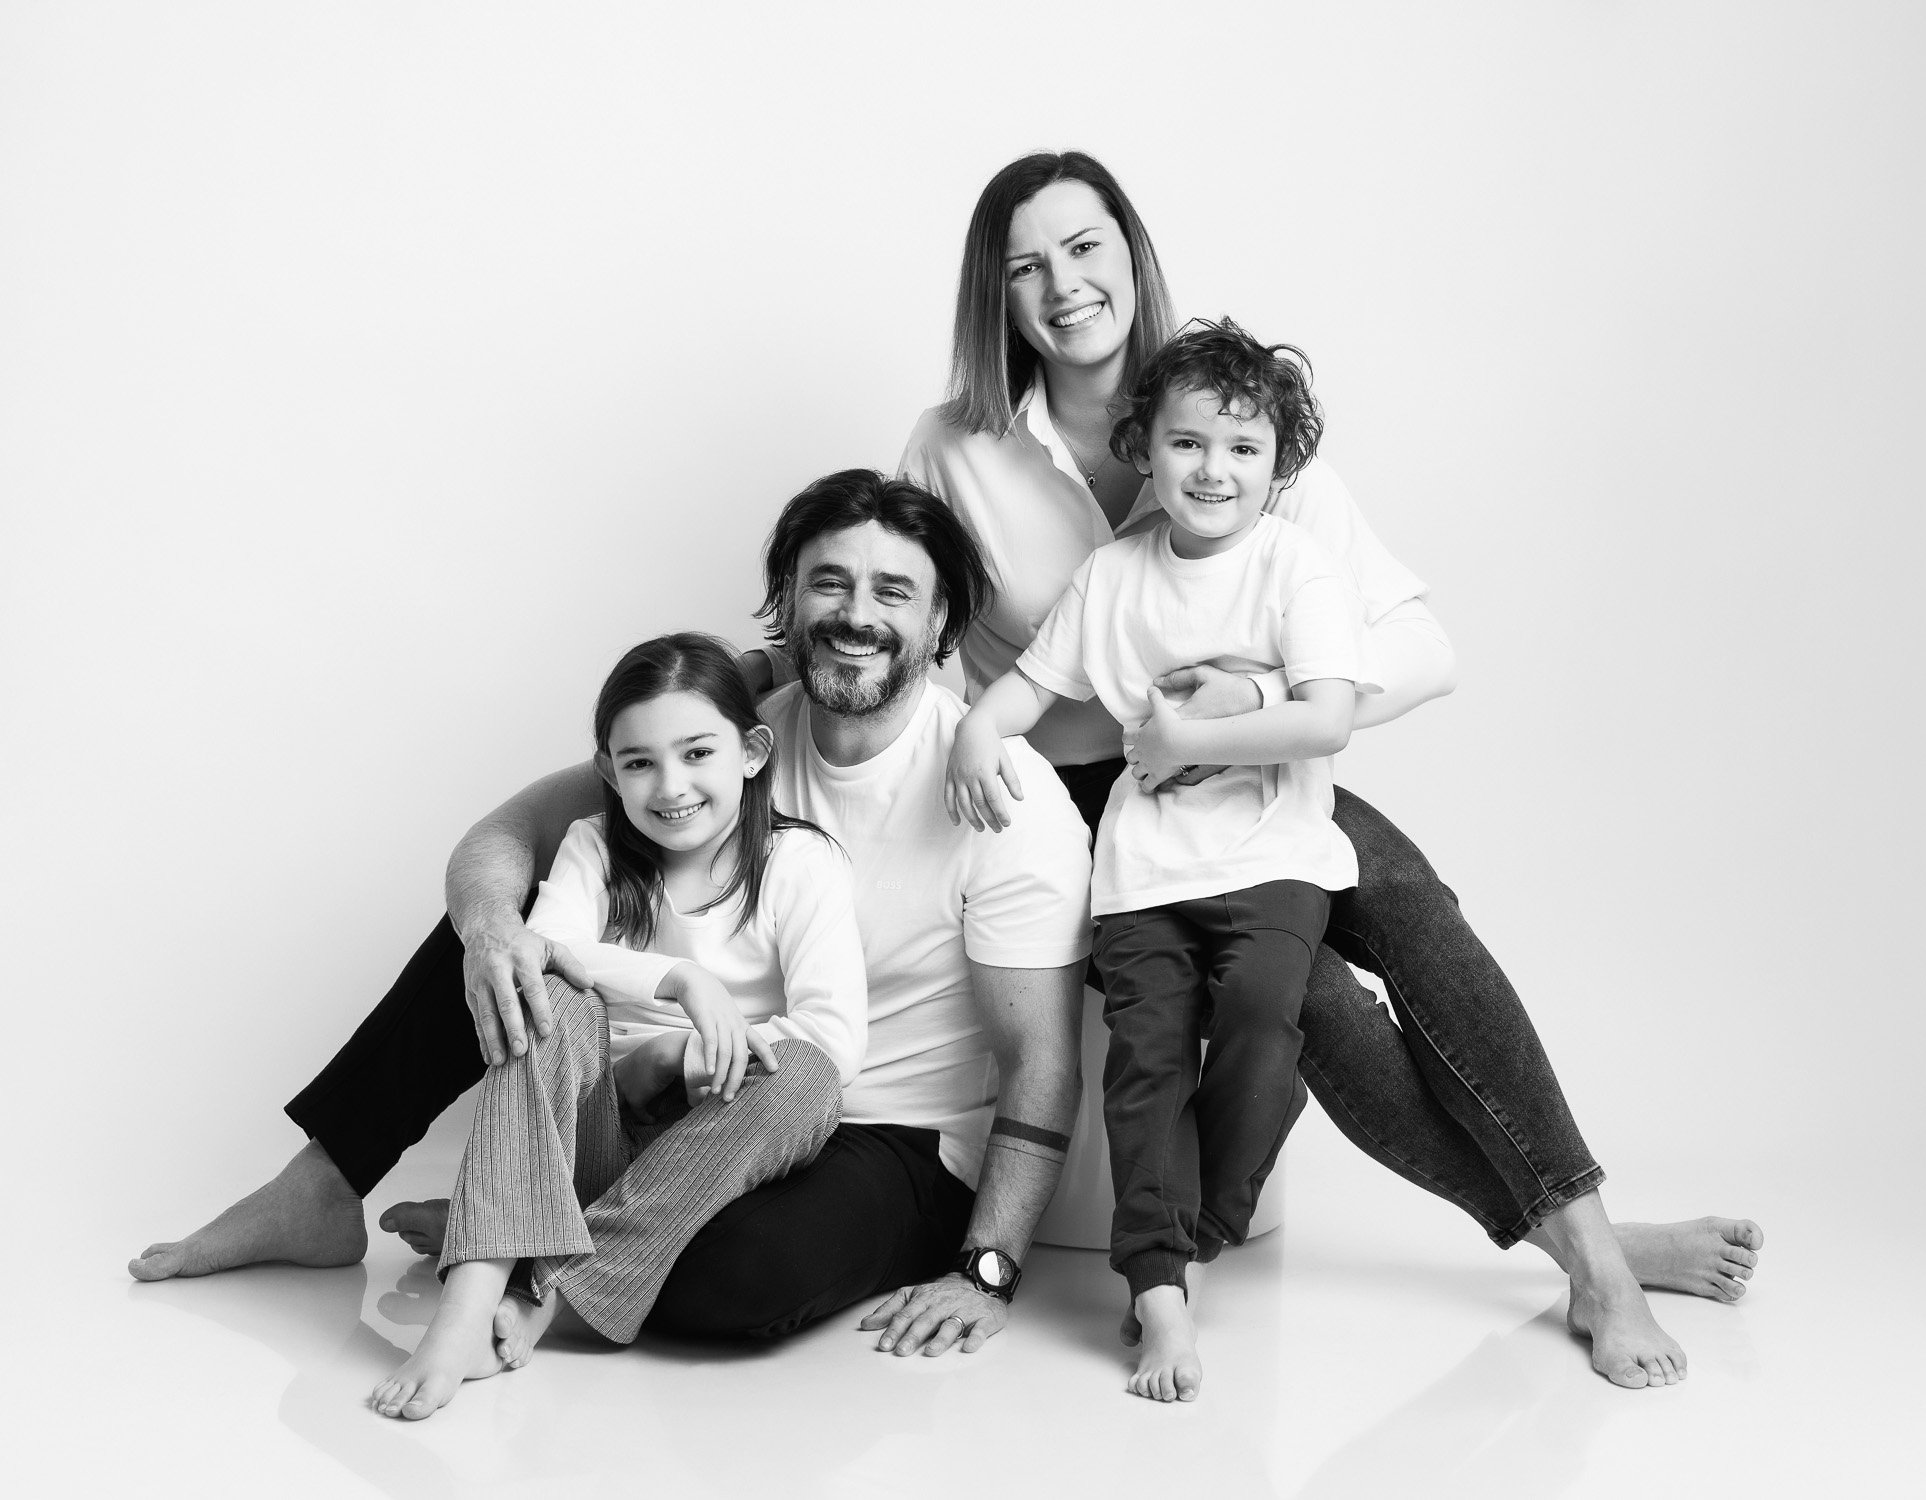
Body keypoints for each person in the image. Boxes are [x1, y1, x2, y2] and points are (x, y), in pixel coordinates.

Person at [882, 149, 1764, 1393]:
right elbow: (906, 628)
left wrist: (1259, 701)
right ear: (997, 293)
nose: (1063, 284)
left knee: (1409, 906)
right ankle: (1589, 1251)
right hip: (1080, 802)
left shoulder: (1236, 411)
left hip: (1262, 764)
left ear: (1130, 253)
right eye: (1026, 265)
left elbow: (1419, 646)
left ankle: (1594, 1248)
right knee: (1320, 1007)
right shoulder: (954, 448)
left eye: (1084, 248)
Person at [135, 471, 1095, 1366]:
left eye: (893, 592)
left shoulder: (1006, 796)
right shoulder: (730, 730)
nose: (856, 615)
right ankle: (324, 1189)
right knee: (504, 935)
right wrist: (493, 935)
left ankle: (521, 1230)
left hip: (888, 1132)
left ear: (940, 622)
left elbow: (1041, 1060)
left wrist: (988, 1272)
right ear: (789, 601)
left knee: (737, 1280)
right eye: (829, 583)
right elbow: (508, 833)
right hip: (680, 1095)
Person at [949, 318, 1368, 1401]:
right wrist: (976, 729)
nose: (1213, 470)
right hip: (1141, 871)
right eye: (1187, 443)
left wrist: (1187, 740)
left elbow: (1326, 718)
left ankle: (1202, 1222)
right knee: (1145, 1064)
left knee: (1265, 1017)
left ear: (1279, 464)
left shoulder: (1293, 566)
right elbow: (1031, 686)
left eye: (1243, 449)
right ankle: (1160, 1293)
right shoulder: (1112, 574)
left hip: (1271, 856)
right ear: (1144, 449)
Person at [369, 633, 867, 1420]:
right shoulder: (594, 845)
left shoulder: (800, 863)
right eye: (639, 763)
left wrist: (691, 1055)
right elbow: (549, 949)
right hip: (592, 1128)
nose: (671, 786)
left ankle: (543, 1277)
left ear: (751, 752)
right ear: (609, 772)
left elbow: (836, 1036)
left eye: (697, 753)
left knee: (807, 1075)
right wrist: (679, 984)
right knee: (546, 991)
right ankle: (466, 1309)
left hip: (703, 1150)